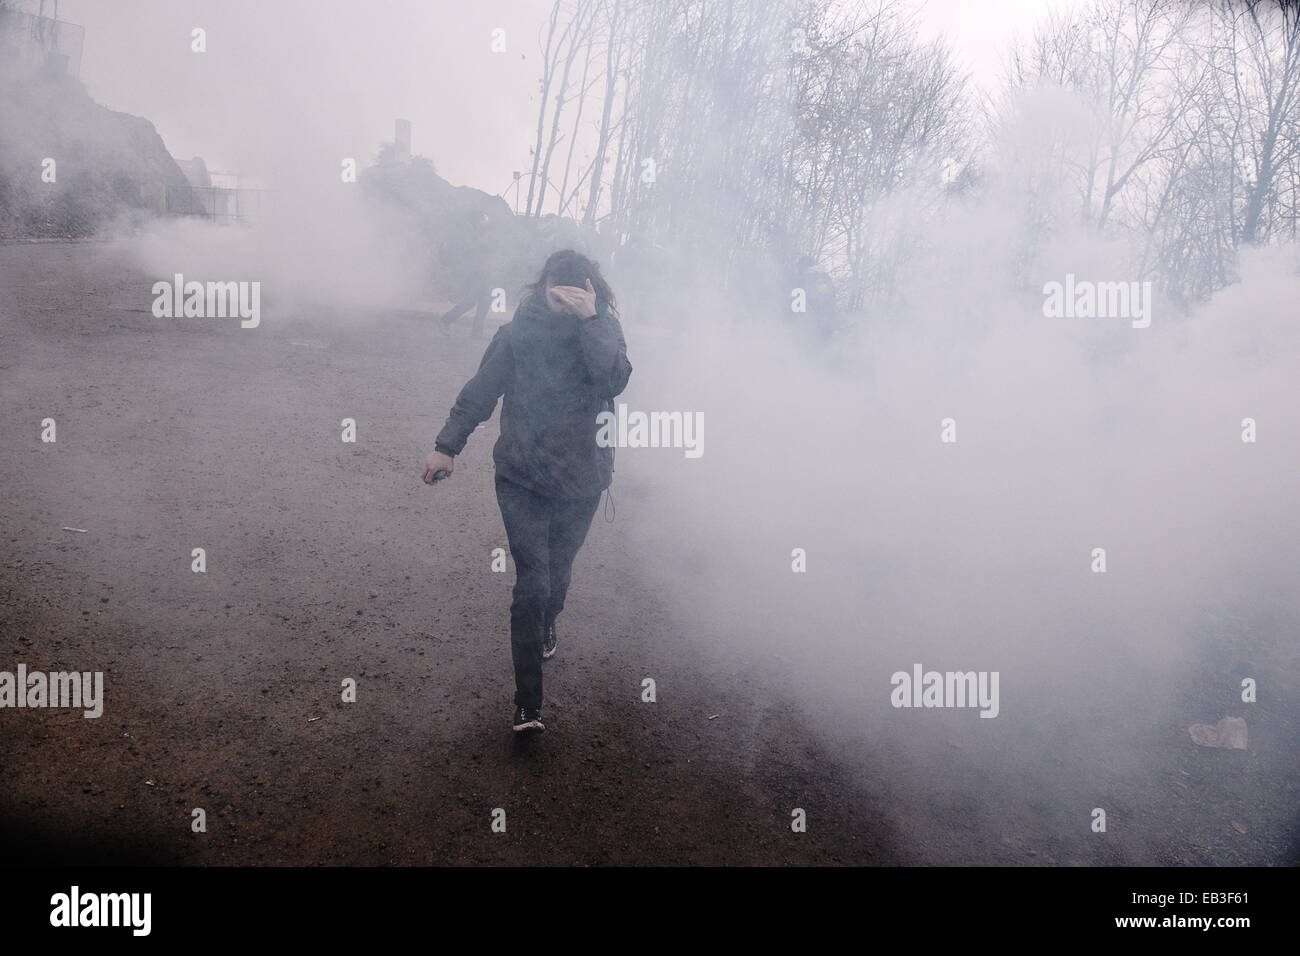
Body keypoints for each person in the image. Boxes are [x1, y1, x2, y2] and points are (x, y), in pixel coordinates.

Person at [423, 249, 633, 734]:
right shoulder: (516, 332)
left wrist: (590, 321)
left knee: (558, 574)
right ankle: (528, 705)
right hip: (522, 475)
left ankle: (550, 619)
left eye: (574, 300)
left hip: (582, 480)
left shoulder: (602, 331)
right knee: (532, 584)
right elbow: (481, 390)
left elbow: (614, 380)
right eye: (555, 299)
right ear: (542, 290)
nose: (562, 307)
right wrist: (445, 447)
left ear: (590, 293)